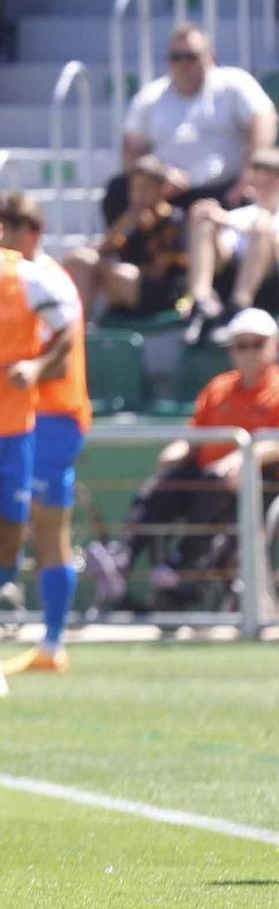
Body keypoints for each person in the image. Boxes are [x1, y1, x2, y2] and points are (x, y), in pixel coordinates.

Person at [100, 309, 279, 611]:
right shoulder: (219, 388)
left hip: (261, 480)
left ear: (275, 347)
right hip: (203, 475)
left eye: (257, 344)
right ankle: (121, 559)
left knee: (217, 479)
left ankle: (183, 565)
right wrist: (178, 449)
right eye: (241, 345)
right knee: (163, 485)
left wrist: (243, 458)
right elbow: (195, 435)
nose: (249, 352)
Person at [0, 194, 86, 676]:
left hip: (51, 413)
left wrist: (32, 370)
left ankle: (53, 642)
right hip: (28, 413)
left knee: (47, 527)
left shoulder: (42, 278)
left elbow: (63, 352)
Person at [112, 25, 279, 226]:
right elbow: (132, 150)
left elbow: (265, 121)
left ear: (210, 56)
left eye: (190, 56)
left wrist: (249, 174)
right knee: (118, 190)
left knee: (250, 196)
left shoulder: (234, 83)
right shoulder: (151, 96)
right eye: (176, 57)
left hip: (226, 190)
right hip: (167, 194)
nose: (183, 64)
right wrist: (160, 174)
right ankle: (118, 252)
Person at [183, 148, 279, 331]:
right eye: (259, 183)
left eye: (270, 183)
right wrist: (211, 217)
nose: (264, 190)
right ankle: (200, 301)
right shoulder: (241, 214)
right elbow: (226, 254)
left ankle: (239, 305)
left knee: (262, 226)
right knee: (203, 219)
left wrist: (226, 219)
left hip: (277, 285)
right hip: (231, 277)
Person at [64, 157, 189, 321]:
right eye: (135, 188)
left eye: (146, 188)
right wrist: (125, 223)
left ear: (162, 189)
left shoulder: (176, 220)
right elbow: (101, 251)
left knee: (118, 272)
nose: (139, 194)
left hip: (162, 294)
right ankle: (79, 332)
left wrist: (151, 229)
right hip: (127, 286)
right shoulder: (129, 223)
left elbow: (163, 269)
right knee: (79, 260)